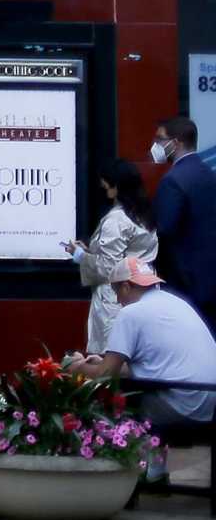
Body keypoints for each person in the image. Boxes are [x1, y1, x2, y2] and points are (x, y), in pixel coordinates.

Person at [70, 256, 216, 482]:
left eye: (116, 292)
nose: (118, 300)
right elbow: (156, 365)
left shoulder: (131, 313)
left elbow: (106, 375)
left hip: (181, 404)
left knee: (118, 399)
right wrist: (102, 362)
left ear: (126, 286)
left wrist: (76, 366)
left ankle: (122, 472)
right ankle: (155, 471)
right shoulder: (175, 302)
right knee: (144, 388)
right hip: (209, 399)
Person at [67, 158, 160, 354]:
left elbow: (108, 268)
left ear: (116, 184)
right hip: (145, 292)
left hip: (115, 297)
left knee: (111, 359)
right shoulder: (144, 215)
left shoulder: (116, 220)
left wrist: (80, 255)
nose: (102, 185)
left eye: (105, 181)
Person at [153, 117, 216, 330]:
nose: (156, 145)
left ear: (176, 142)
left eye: (160, 139)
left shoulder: (172, 180)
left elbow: (165, 232)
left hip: (184, 284)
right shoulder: (208, 174)